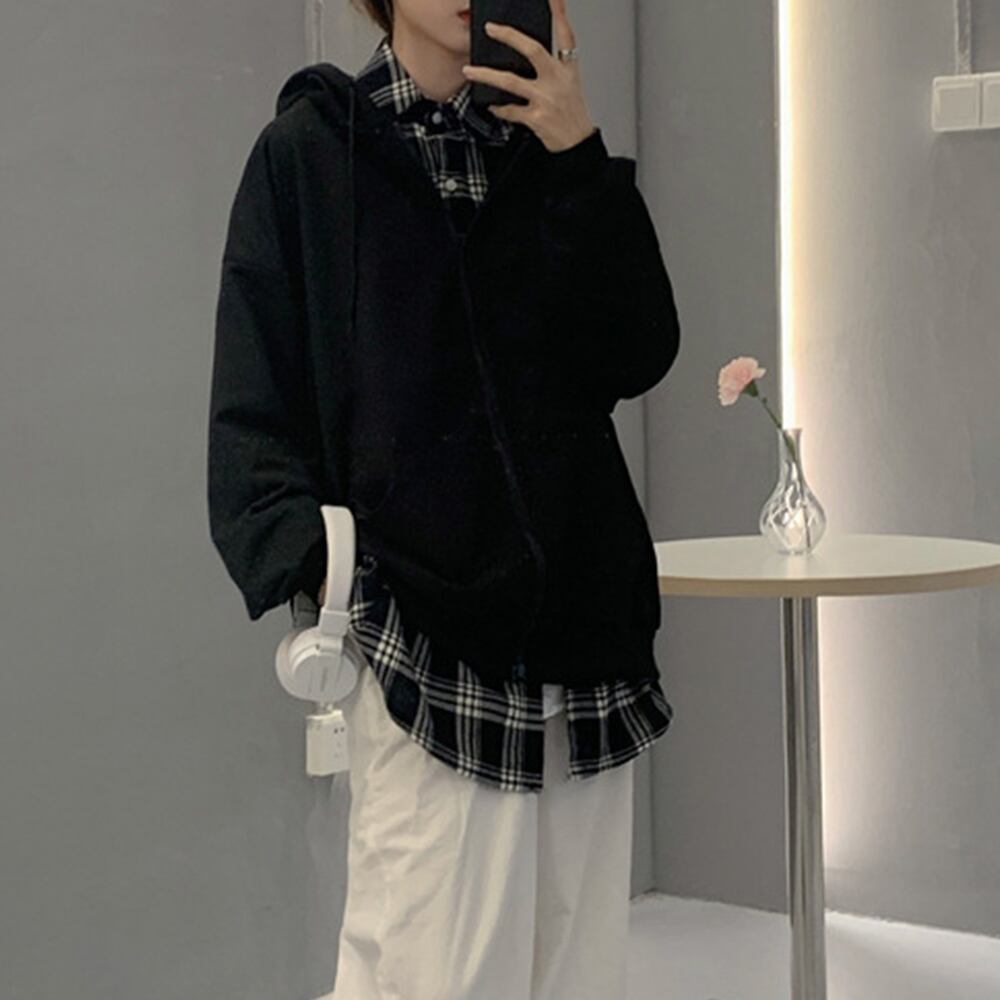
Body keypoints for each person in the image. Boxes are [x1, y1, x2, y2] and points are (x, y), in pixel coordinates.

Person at [208, 0, 681, 996]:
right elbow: (254, 404)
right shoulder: (309, 155)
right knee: (430, 976)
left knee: (578, 979)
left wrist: (580, 157)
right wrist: (330, 575)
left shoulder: (546, 149)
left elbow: (637, 353)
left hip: (586, 646)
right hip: (429, 654)